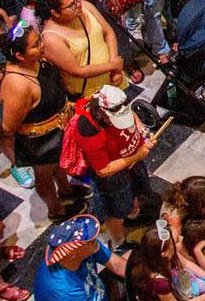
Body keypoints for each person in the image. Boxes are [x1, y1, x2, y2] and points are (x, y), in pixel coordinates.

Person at [64, 83, 158, 245]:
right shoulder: (88, 129)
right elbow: (103, 170)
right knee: (115, 211)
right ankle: (119, 242)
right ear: (102, 113)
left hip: (132, 161)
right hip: (113, 177)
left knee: (134, 195)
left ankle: (133, 215)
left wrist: (142, 131)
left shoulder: (116, 104)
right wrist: (136, 155)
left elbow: (132, 114)